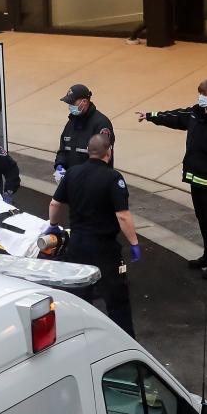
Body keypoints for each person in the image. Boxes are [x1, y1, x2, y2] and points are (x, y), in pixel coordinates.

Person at [136, 78, 207, 280]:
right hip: (195, 179)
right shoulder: (195, 114)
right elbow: (174, 117)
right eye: (199, 93)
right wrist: (149, 116)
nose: (201, 98)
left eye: (205, 95)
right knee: (202, 220)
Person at [46, 133, 140, 337]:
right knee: (117, 300)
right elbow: (123, 216)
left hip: (77, 245)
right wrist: (134, 242)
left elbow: (55, 203)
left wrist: (53, 225)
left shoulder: (72, 173)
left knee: (79, 297)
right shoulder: (113, 178)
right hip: (104, 248)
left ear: (89, 151)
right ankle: (125, 340)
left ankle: (77, 337)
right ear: (109, 152)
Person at [54, 84, 114, 184]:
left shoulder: (101, 124)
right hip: (72, 183)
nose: (70, 106)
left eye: (72, 102)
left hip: (93, 184)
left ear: (85, 102)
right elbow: (63, 150)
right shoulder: (71, 123)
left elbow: (103, 158)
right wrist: (59, 166)